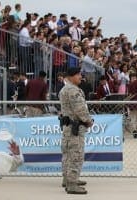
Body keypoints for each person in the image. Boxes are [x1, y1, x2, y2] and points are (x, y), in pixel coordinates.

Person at [58, 67, 93, 195]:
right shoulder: (73, 90)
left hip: (68, 126)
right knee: (76, 155)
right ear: (71, 76)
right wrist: (89, 121)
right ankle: (72, 184)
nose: (80, 77)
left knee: (67, 154)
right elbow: (80, 109)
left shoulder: (64, 89)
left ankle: (67, 179)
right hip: (75, 128)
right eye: (78, 75)